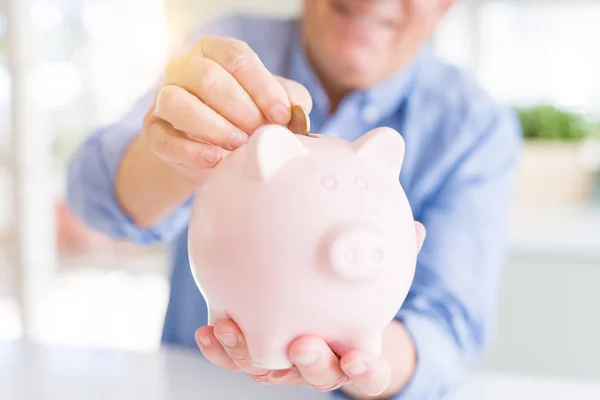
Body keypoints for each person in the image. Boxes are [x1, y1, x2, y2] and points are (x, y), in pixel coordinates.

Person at [66, 0, 522, 398]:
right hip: (195, 382)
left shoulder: (474, 127)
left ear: (445, 4)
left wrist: (361, 362)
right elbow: (90, 196)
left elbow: (449, 327)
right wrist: (179, 152)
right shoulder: (232, 52)